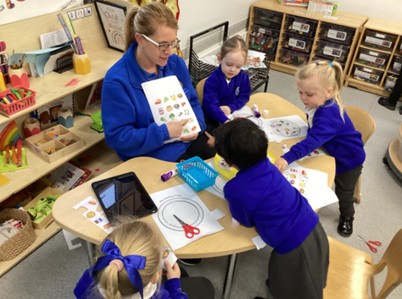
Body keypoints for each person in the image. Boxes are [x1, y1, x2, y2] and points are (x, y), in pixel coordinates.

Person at [206, 118, 329, 299]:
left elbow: (245, 221)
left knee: (295, 288)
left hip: (292, 248)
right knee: (309, 276)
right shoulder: (269, 166)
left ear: (229, 162)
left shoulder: (234, 189)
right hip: (315, 228)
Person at [101, 2, 215, 163]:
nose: (169, 51)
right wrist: (164, 133)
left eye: (173, 43)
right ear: (140, 39)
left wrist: (197, 126)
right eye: (162, 45)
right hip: (152, 153)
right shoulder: (117, 81)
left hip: (187, 140)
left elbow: (193, 103)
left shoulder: (175, 63)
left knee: (226, 165)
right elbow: (118, 138)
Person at [274, 60, 366, 237]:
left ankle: (348, 216)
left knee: (344, 192)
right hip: (331, 148)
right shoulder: (320, 102)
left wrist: (287, 157)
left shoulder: (329, 114)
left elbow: (312, 141)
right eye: (300, 93)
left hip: (349, 160)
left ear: (329, 91)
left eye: (308, 94)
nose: (303, 98)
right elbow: (315, 127)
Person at [74, 219, 214, 299]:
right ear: (155, 277)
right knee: (204, 285)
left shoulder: (89, 277)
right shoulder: (161, 296)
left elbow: (78, 292)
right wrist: (174, 284)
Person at [202, 35, 251, 132]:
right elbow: (211, 105)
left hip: (232, 115)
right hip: (212, 120)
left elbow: (244, 96)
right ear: (220, 58)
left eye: (238, 67)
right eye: (229, 64)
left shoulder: (243, 77)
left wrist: (231, 108)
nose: (233, 69)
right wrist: (225, 120)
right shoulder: (212, 81)